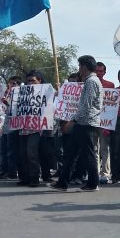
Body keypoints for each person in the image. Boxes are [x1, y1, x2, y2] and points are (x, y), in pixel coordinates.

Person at [49, 55, 103, 192]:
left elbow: (86, 106)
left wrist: (72, 121)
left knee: (88, 154)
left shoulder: (91, 82)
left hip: (86, 124)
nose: (79, 69)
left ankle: (92, 183)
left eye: (80, 66)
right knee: (70, 153)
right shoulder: (91, 81)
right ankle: (63, 182)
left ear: (85, 67)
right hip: (84, 123)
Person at [95, 62, 115, 184]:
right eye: (96, 71)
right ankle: (95, 172)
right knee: (94, 149)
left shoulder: (110, 85)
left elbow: (112, 106)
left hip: (105, 122)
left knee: (104, 149)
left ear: (104, 72)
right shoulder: (90, 84)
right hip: (93, 122)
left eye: (101, 71)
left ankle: (106, 173)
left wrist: (108, 124)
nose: (98, 73)